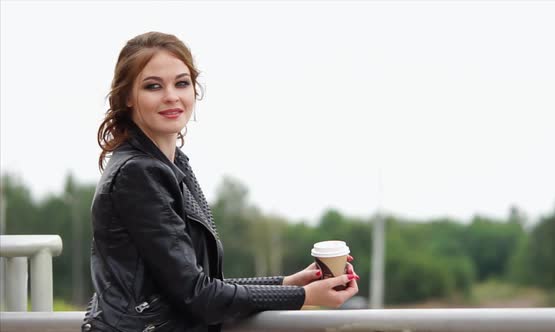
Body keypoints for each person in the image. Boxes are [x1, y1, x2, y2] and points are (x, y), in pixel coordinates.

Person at [82, 31, 359, 332]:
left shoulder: (171, 164)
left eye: (182, 83)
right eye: (153, 86)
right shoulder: (139, 174)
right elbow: (200, 296)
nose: (171, 96)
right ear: (127, 97)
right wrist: (302, 296)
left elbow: (196, 284)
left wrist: (287, 283)